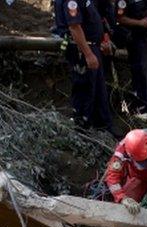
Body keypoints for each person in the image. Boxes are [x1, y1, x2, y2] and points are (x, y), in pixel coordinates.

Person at [53, 0, 114, 133]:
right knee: (84, 90)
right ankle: (82, 128)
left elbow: (96, 19)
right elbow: (74, 27)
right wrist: (88, 54)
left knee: (98, 90)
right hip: (82, 49)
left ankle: (103, 128)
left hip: (93, 47)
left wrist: (104, 40)